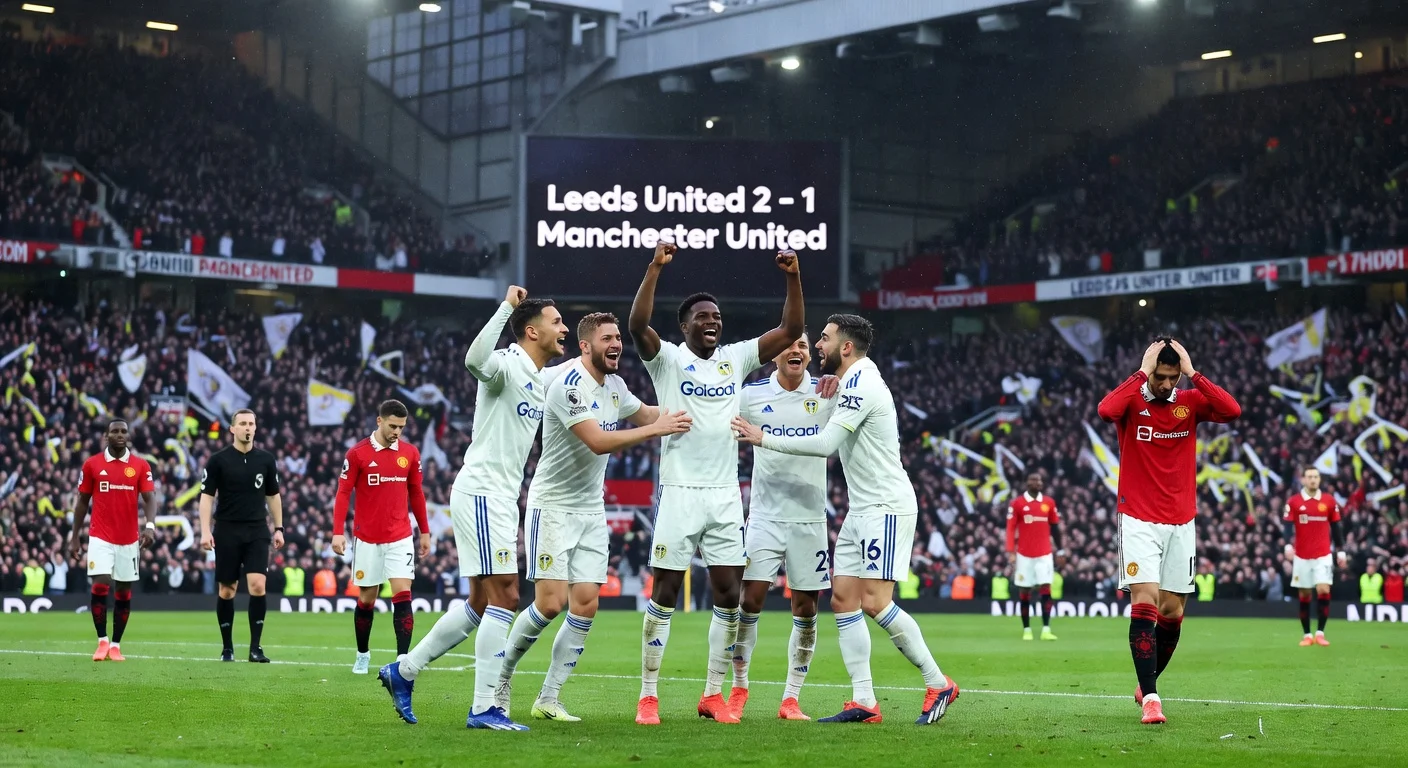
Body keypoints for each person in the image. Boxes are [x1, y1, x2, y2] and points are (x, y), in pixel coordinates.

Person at [732, 314, 959, 726]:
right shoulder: (849, 383)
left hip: (886, 507)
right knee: (843, 599)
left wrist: (762, 437)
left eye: (824, 338)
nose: (818, 345)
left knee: (875, 601)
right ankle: (864, 700)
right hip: (862, 509)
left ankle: (937, 681)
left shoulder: (864, 382)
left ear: (846, 347)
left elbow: (825, 444)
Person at [627, 241, 806, 726]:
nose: (713, 321)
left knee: (728, 593)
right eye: (702, 316)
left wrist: (792, 275)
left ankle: (712, 694)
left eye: (717, 316)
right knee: (664, 591)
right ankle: (648, 696)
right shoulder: (667, 360)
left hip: (726, 494)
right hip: (681, 492)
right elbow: (637, 326)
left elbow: (792, 330)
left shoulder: (736, 359)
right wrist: (655, 267)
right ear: (685, 326)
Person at [379, 285, 568, 730]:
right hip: (483, 492)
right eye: (556, 321)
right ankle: (485, 707)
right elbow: (473, 361)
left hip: (498, 497)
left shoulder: (539, 379)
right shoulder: (508, 362)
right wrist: (506, 306)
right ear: (530, 331)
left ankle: (403, 671)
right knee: (505, 593)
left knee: (483, 603)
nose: (562, 328)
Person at [494, 312, 691, 722]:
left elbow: (649, 414)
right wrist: (660, 430)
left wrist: (699, 405)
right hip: (552, 507)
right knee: (550, 605)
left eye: (619, 337)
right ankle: (501, 680)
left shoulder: (615, 386)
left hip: (590, 508)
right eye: (608, 338)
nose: (617, 343)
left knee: (585, 605)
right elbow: (599, 442)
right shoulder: (568, 384)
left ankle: (548, 697)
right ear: (586, 345)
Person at [1097, 338, 1241, 725]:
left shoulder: (1189, 402)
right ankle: (1152, 700)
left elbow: (1232, 409)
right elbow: (1105, 408)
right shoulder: (1132, 400)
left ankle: (1148, 683)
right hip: (1138, 518)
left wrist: (1194, 373)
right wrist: (1141, 372)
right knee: (1144, 600)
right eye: (1160, 376)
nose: (1165, 384)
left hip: (1182, 520)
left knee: (1173, 612)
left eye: (1171, 376)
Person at [730, 333, 834, 721]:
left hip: (810, 518)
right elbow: (720, 424)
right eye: (789, 345)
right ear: (773, 355)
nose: (796, 350)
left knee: (806, 609)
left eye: (803, 346)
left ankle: (791, 698)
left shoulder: (826, 392)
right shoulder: (750, 395)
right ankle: (739, 687)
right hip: (765, 517)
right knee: (749, 601)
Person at [332, 399, 432, 674]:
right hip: (367, 539)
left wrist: (424, 531)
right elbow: (343, 493)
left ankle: (402, 660)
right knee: (367, 600)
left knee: (403, 593)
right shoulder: (358, 454)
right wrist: (337, 532)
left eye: (401, 427)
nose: (397, 431)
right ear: (379, 421)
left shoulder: (410, 453)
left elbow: (417, 493)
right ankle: (363, 654)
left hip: (400, 536)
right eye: (392, 426)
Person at [198, 409, 285, 663]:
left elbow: (273, 495)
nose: (248, 428)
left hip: (257, 529)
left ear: (256, 429)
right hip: (226, 529)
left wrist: (278, 528)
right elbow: (207, 497)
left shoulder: (266, 460)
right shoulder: (218, 460)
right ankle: (227, 648)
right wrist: (205, 530)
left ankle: (255, 648)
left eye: (252, 424)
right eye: (243, 424)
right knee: (227, 590)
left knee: (258, 585)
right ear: (232, 429)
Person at [69, 420, 157, 661]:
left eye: (124, 431)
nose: (120, 435)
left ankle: (116, 645)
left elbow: (150, 498)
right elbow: (82, 502)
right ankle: (102, 641)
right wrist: (74, 536)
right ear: (106, 436)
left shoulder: (140, 465)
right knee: (101, 583)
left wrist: (150, 526)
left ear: (128, 435)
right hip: (100, 536)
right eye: (115, 431)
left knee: (123, 590)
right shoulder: (92, 465)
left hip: (129, 539)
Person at [1283, 466, 1346, 646]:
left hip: (1323, 555)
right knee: (1304, 594)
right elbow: (1287, 526)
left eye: (1316, 477)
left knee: (1324, 590)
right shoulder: (1294, 502)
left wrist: (1340, 550)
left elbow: (1336, 527)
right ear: (1303, 479)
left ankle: (1320, 633)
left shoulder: (1328, 500)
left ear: (1319, 479)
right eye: (1309, 477)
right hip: (1302, 556)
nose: (1313, 480)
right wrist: (1288, 545)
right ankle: (1307, 635)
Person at [1005, 472, 1064, 641]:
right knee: (1025, 591)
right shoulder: (1017, 503)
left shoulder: (1049, 503)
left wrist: (1060, 550)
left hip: (1044, 554)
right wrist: (1010, 551)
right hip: (1024, 555)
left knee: (1046, 589)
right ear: (1026, 483)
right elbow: (1010, 528)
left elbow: (1055, 528)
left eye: (1039, 480)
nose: (1037, 482)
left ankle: (1046, 629)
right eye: (1033, 480)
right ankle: (1027, 630)